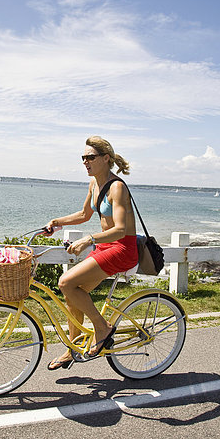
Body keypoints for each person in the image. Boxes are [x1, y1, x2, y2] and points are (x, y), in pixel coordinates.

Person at [45, 136, 138, 370]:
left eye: (91, 157)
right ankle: (73, 349)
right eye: (83, 157)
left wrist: (89, 239)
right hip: (107, 246)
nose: (85, 162)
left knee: (65, 282)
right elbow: (85, 214)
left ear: (106, 159)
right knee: (73, 294)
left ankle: (102, 327)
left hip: (122, 248)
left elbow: (120, 229)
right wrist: (58, 222)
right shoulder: (94, 184)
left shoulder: (117, 187)